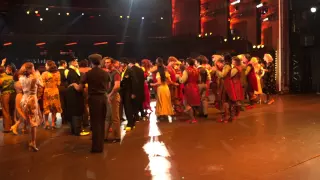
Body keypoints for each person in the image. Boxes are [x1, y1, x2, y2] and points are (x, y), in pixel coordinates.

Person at [72, 54, 110, 153]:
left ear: (91, 62)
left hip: (93, 99)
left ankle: (96, 147)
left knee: (95, 122)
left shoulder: (88, 74)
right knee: (101, 122)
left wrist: (74, 85)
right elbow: (108, 87)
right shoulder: (106, 73)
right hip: (104, 98)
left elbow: (80, 88)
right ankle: (100, 145)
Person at [20, 62, 43, 151]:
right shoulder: (35, 78)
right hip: (32, 100)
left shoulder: (21, 78)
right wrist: (38, 76)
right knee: (34, 122)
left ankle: (30, 139)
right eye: (33, 68)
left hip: (24, 99)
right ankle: (33, 142)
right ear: (30, 69)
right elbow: (42, 85)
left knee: (29, 120)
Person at [65, 59, 89, 136]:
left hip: (70, 93)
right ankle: (78, 130)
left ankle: (74, 130)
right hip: (75, 93)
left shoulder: (69, 71)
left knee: (72, 110)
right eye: (75, 61)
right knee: (77, 111)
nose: (77, 63)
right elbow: (76, 85)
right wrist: (80, 86)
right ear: (72, 62)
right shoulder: (72, 71)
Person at [179, 58, 200, 123]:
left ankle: (192, 119)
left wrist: (179, 77)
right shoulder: (196, 70)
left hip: (188, 87)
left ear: (187, 63)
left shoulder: (186, 70)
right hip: (195, 86)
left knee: (186, 103)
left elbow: (183, 80)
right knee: (193, 103)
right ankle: (193, 117)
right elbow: (199, 79)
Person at [105, 58, 121, 143]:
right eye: (105, 63)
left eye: (108, 62)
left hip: (114, 96)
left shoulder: (116, 73)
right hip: (108, 96)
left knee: (115, 117)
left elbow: (117, 86)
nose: (106, 64)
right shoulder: (108, 73)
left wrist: (110, 95)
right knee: (108, 117)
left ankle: (117, 137)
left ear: (112, 63)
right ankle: (105, 136)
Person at [42, 60, 62, 129]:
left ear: (48, 66)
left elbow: (43, 84)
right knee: (54, 108)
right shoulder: (58, 73)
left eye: (46, 65)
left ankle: (47, 122)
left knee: (46, 107)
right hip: (55, 91)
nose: (45, 66)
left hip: (47, 91)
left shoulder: (44, 74)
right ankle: (53, 123)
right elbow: (59, 83)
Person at [0, 61, 15, 133]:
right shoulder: (14, 77)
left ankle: (7, 128)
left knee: (6, 111)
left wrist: (2, 63)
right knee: (12, 111)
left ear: (8, 69)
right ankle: (13, 126)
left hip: (5, 95)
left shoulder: (3, 76)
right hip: (13, 95)